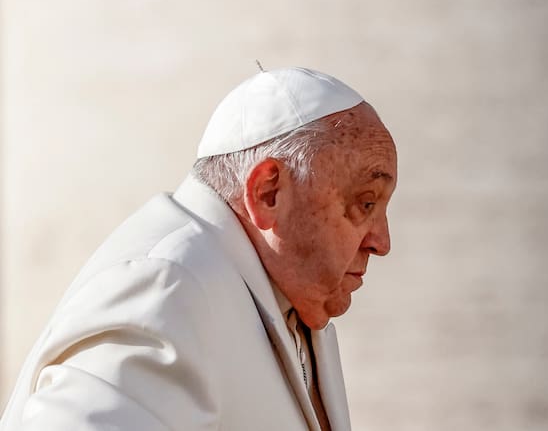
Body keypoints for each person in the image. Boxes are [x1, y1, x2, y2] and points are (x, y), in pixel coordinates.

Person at [0, 67, 398, 431]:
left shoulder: (273, 294)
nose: (382, 242)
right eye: (365, 203)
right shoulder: (165, 288)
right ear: (268, 192)